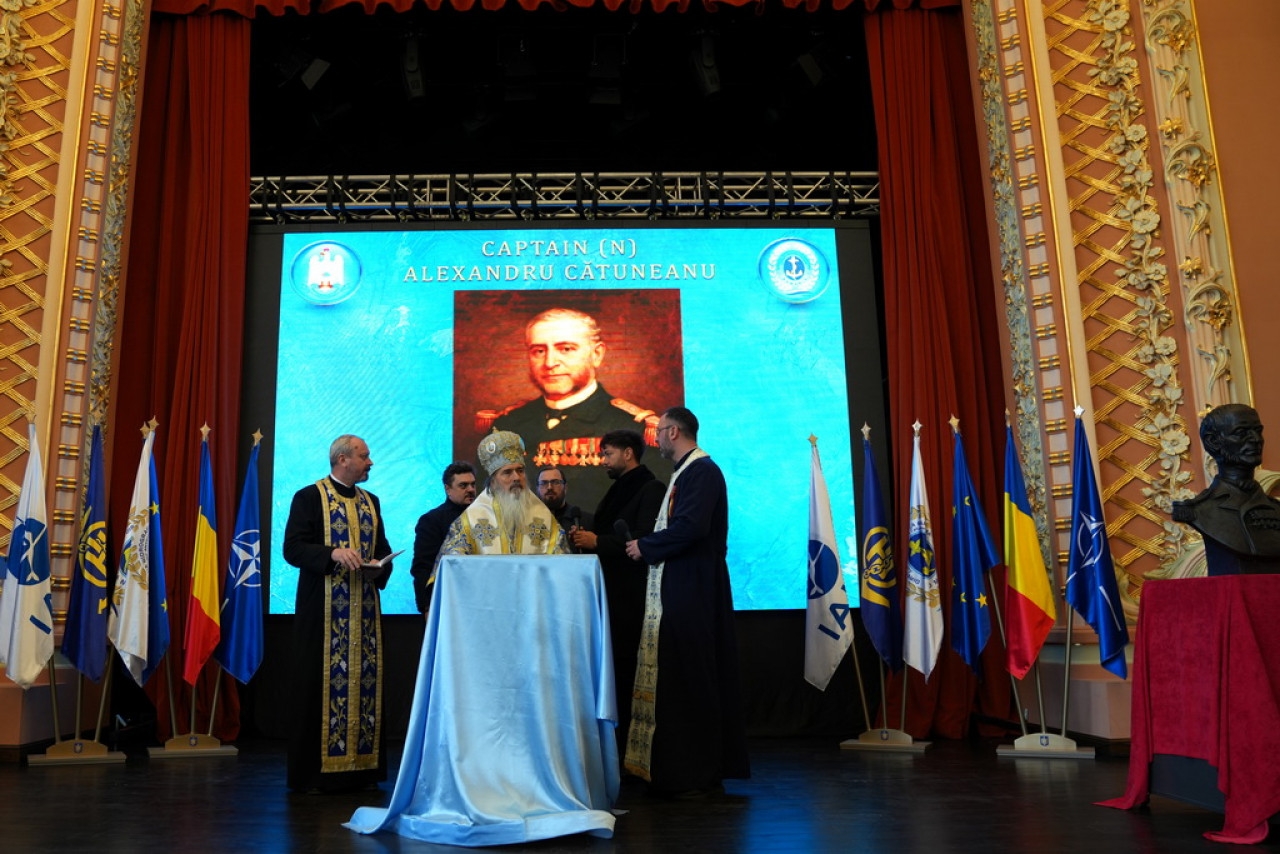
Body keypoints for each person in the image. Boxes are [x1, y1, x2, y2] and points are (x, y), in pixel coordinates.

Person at [622, 407, 749, 797]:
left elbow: (691, 527)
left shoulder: (702, 472)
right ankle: (677, 769)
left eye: (659, 430)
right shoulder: (686, 472)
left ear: (674, 432)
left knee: (693, 677)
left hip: (694, 588)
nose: (656, 437)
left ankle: (695, 772)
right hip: (683, 585)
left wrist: (645, 546)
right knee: (678, 677)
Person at [476, 307, 672, 514]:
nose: (550, 363)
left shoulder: (633, 428)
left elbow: (650, 508)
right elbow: (486, 502)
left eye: (566, 349)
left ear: (596, 354)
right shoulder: (506, 424)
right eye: (539, 351)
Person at [283, 434, 394, 793]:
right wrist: (332, 554)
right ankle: (314, 776)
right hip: (322, 615)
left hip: (365, 616)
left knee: (365, 688)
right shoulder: (309, 497)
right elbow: (293, 549)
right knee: (317, 689)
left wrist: (379, 566)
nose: (370, 462)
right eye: (364, 456)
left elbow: (382, 549)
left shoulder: (371, 502)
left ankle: (361, 772)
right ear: (343, 459)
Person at [571, 429, 666, 752]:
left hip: (632, 597)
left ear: (628, 453)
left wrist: (597, 541)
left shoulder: (650, 488)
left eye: (608, 454)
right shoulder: (619, 488)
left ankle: (631, 747)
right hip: (612, 593)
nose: (603, 461)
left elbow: (643, 538)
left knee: (627, 669)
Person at [1172, 403, 1280, 574]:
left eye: (1257, 431)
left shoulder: (1275, 509)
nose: (1256, 439)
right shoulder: (1198, 510)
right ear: (1213, 442)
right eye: (1241, 433)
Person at [439, 430, 569, 557]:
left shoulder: (543, 516)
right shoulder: (472, 518)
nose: (516, 477)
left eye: (520, 470)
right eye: (507, 472)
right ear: (493, 482)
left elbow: (562, 561)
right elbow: (452, 562)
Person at [410, 462, 477, 615]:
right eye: (463, 485)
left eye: (473, 484)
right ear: (448, 489)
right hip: (446, 601)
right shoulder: (431, 520)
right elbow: (422, 567)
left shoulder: (485, 519)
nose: (470, 489)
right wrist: (426, 606)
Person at [538, 466, 592, 535]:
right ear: (537, 488)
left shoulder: (586, 521)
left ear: (565, 487)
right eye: (543, 483)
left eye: (555, 482)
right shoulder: (528, 521)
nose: (549, 487)